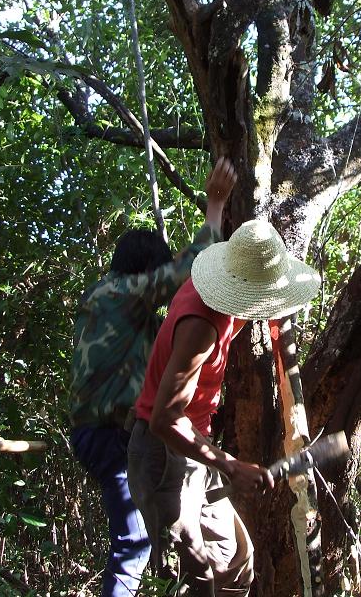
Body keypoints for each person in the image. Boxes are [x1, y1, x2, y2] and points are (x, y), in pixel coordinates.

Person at [68, 158, 238, 597]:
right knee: (135, 545)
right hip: (110, 435)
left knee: (148, 539)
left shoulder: (98, 297)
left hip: (93, 433)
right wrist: (215, 207)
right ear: (142, 269)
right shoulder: (121, 293)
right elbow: (187, 272)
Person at [127, 219, 321, 596]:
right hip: (165, 454)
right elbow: (164, 419)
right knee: (194, 576)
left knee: (234, 561)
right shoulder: (202, 325)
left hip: (194, 446)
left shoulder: (222, 297)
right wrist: (229, 465)